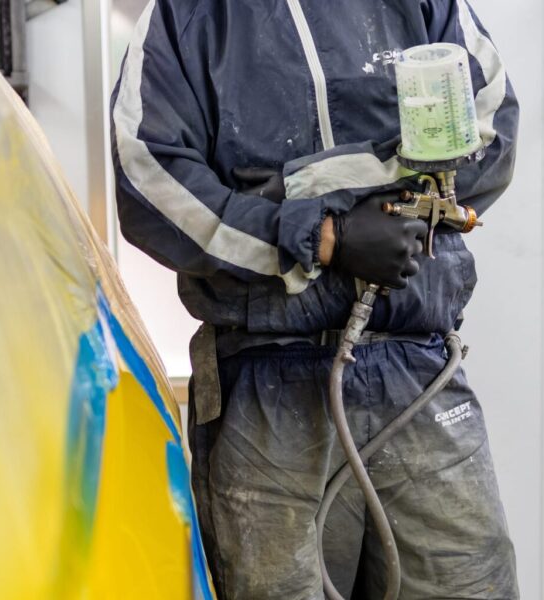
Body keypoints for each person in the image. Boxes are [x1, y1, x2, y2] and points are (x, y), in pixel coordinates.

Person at [111, 1, 520, 597]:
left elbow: (487, 127)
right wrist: (324, 237)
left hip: (418, 370)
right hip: (266, 386)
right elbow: (150, 182)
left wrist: (302, 190)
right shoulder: (187, 15)